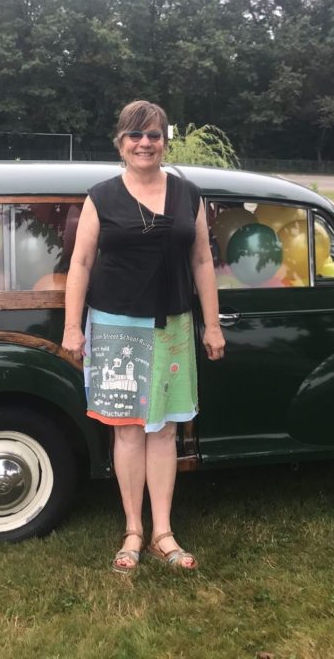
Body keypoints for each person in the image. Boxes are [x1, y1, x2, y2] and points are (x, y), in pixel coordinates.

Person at [63, 100, 225, 572]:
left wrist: (211, 324)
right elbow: (80, 263)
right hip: (115, 328)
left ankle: (163, 533)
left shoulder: (187, 195)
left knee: (166, 430)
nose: (145, 143)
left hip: (172, 325)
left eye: (153, 135)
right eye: (135, 135)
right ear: (121, 142)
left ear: (164, 141)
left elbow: (202, 262)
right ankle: (133, 530)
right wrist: (73, 327)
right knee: (129, 431)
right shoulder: (101, 196)